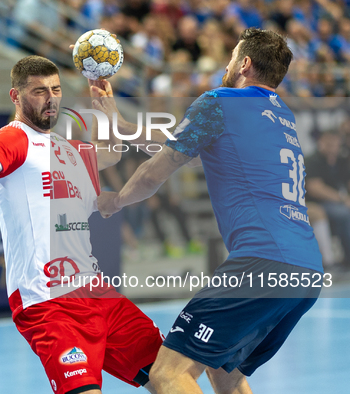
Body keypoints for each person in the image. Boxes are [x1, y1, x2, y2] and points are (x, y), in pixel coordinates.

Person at [0, 55, 164, 394]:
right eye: (39, 91)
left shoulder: (63, 146)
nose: (51, 98)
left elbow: (110, 154)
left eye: (56, 89)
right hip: (48, 300)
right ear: (16, 97)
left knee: (169, 373)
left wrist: (106, 110)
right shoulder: (14, 139)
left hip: (94, 290)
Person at [98, 28, 323, 394]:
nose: (228, 62)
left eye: (232, 55)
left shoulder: (219, 101)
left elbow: (156, 172)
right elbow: (190, 138)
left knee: (168, 373)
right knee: (224, 372)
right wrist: (122, 128)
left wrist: (116, 200)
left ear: (244, 63)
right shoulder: (280, 116)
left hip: (261, 261)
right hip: (305, 270)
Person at [305, 131, 350, 267]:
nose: (332, 147)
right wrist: (343, 198)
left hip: (338, 202)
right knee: (344, 213)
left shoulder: (342, 161)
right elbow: (315, 188)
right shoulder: (311, 160)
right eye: (328, 143)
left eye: (335, 144)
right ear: (321, 143)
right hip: (315, 203)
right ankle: (330, 262)